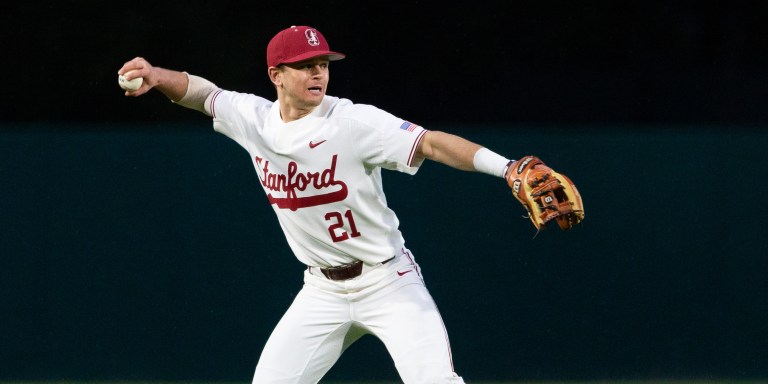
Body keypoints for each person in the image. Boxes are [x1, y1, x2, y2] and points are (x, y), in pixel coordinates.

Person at [118, 25, 518, 384]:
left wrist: (507, 168)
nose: (318, 73)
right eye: (304, 65)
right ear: (276, 75)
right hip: (321, 290)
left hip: (387, 281)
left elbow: (430, 143)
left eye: (323, 64)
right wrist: (156, 76)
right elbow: (203, 95)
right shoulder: (255, 119)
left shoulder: (353, 121)